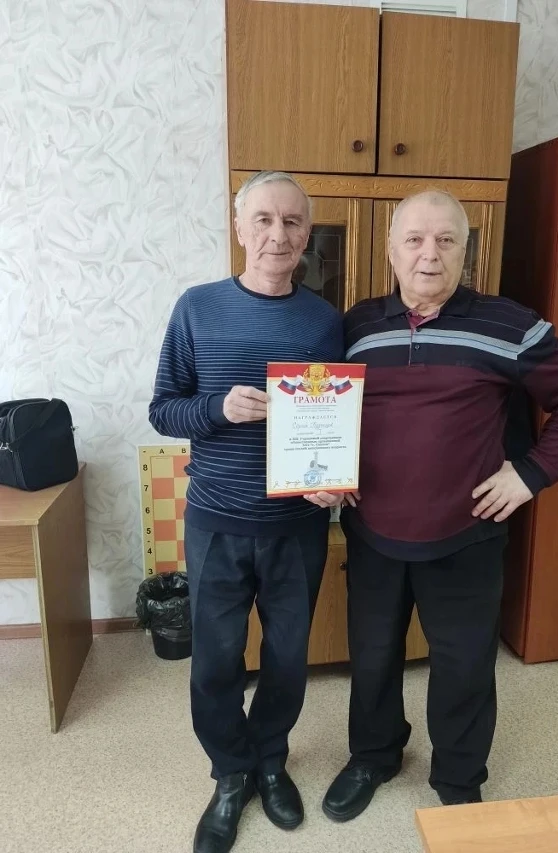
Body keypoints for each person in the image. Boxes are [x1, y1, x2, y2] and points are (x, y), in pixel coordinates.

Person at [322, 190, 558, 819]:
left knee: (464, 663)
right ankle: (374, 755)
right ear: (390, 249)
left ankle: (458, 776)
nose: (429, 254)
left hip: (467, 533)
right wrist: (327, 470)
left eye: (446, 239)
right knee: (372, 655)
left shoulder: (508, 324)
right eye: (415, 239)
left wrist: (532, 472)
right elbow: (327, 407)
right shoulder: (357, 325)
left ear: (466, 251)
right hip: (373, 531)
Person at [149, 171, 343, 853]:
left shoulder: (325, 320)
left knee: (288, 657)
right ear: (239, 227)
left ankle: (270, 760)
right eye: (263, 219)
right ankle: (230, 774)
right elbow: (163, 409)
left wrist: (336, 481)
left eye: (291, 222)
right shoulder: (197, 307)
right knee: (216, 661)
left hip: (297, 525)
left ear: (306, 234)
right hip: (217, 521)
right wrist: (217, 408)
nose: (276, 235)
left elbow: (338, 419)